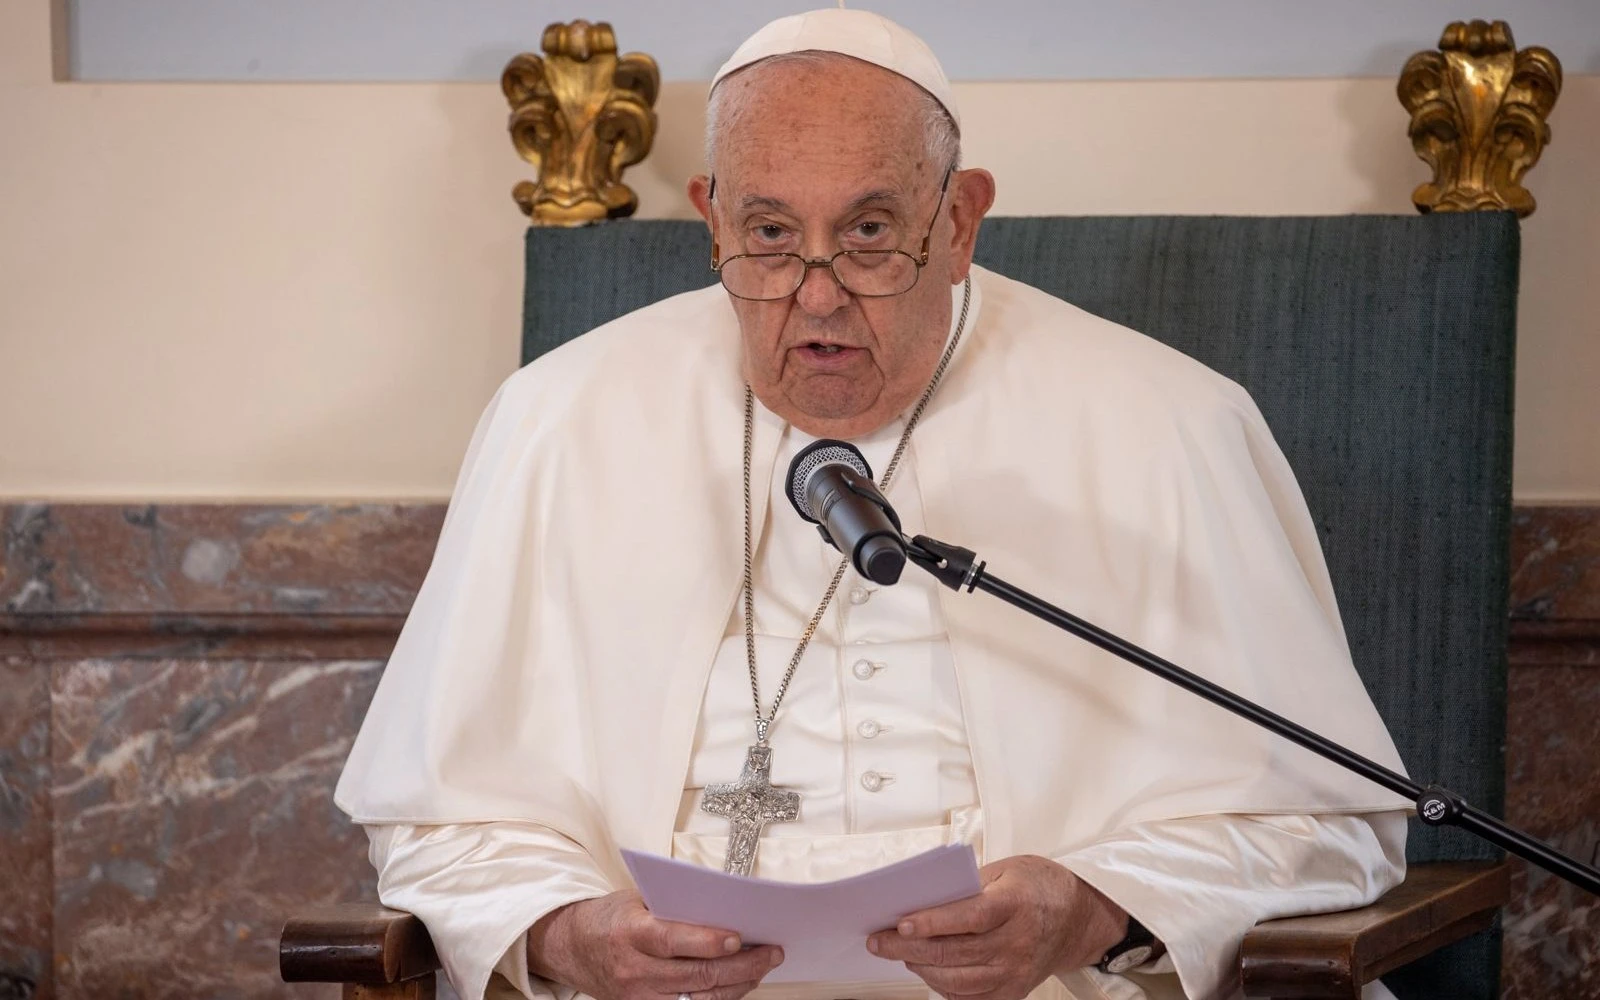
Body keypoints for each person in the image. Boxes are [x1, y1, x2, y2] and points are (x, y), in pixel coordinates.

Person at [337, 10, 1411, 1000]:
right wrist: (571, 933)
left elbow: (1325, 822)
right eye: (766, 234)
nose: (814, 292)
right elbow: (440, 820)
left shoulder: (1168, 421)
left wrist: (1088, 907)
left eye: (867, 234)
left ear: (960, 221)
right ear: (708, 219)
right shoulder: (558, 420)